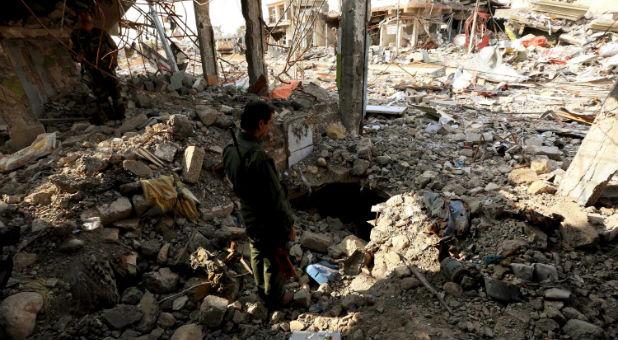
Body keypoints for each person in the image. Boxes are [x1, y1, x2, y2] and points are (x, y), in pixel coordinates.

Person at [223, 101, 295, 308]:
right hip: (268, 218)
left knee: (257, 250)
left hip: (249, 213)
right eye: (270, 123)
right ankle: (275, 298)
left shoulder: (230, 149)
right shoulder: (259, 157)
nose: (270, 127)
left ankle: (262, 289)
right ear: (261, 123)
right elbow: (276, 198)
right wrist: (288, 225)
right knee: (275, 256)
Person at [70, 9, 124, 124]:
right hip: (92, 70)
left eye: (86, 15)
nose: (84, 17)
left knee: (115, 92)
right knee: (101, 95)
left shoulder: (101, 33)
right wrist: (78, 58)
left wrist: (112, 63)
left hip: (107, 68)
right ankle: (109, 119)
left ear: (92, 18)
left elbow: (114, 48)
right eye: (81, 15)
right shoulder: (76, 35)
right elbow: (72, 53)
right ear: (79, 19)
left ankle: (121, 117)